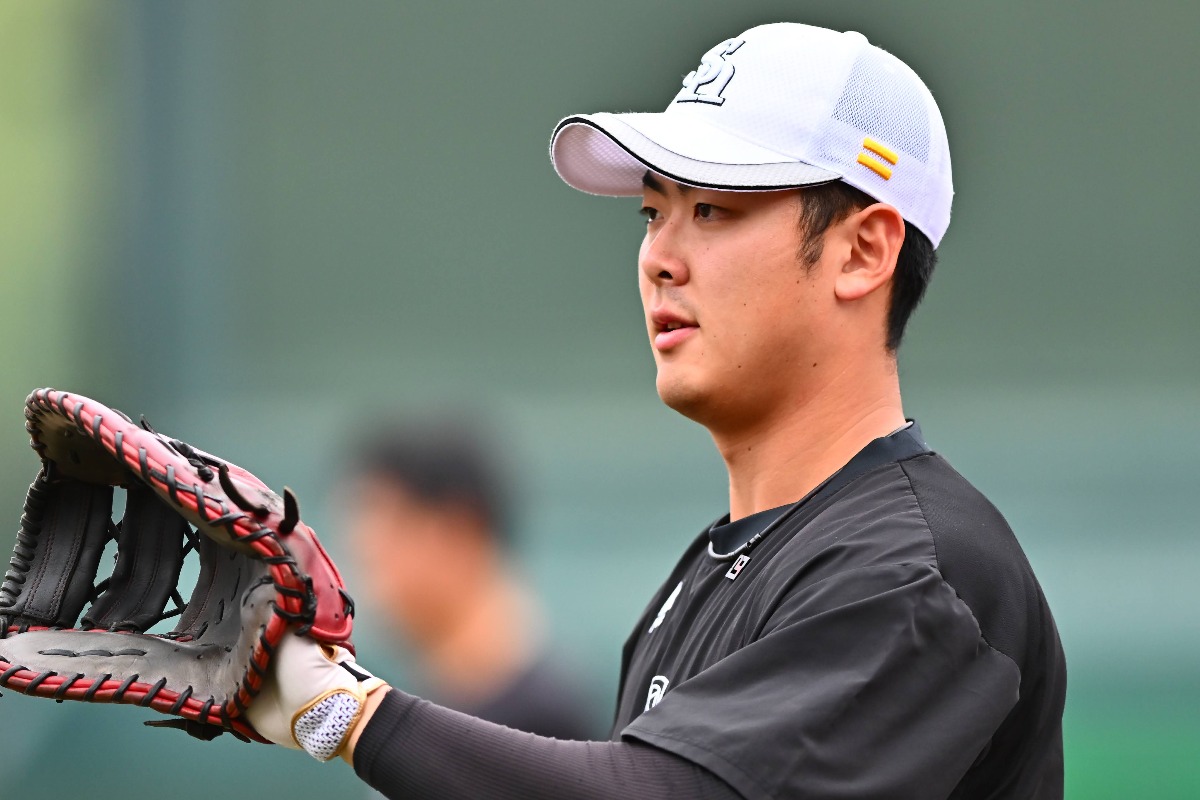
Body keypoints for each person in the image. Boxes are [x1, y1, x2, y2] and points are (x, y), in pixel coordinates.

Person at [247, 22, 1067, 799]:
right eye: (653, 212)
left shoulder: (916, 574)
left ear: (862, 251)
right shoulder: (723, 564)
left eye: (712, 209)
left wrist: (347, 713)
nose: (658, 259)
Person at [341, 420, 597, 741]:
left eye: (382, 547)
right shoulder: (446, 699)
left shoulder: (538, 723)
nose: (367, 579)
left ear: (458, 529)